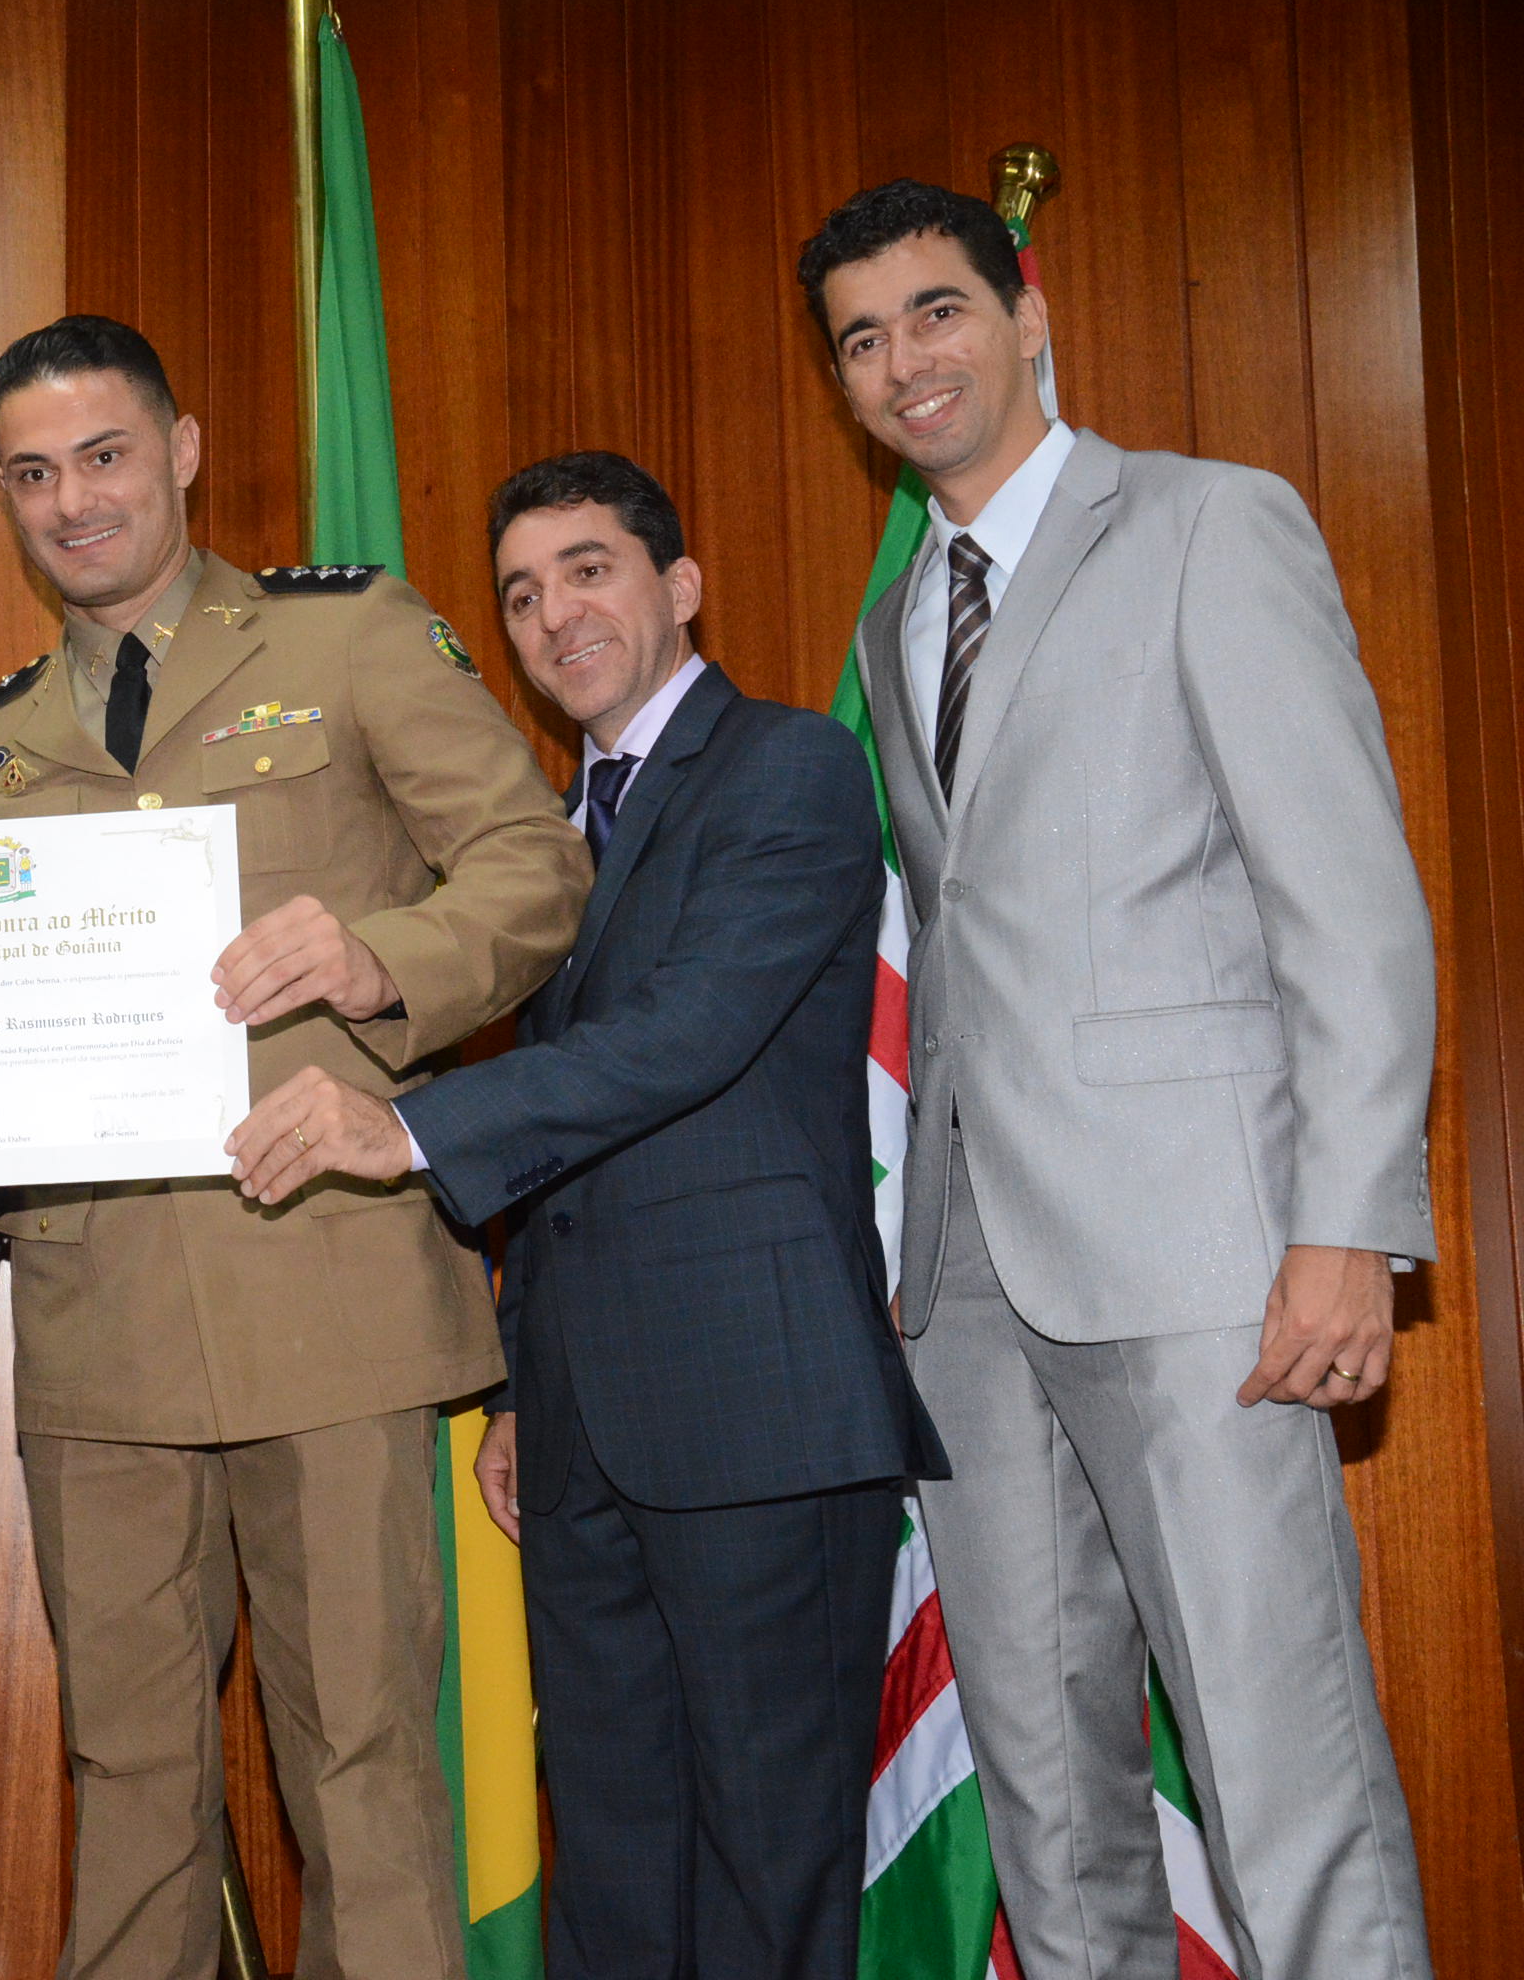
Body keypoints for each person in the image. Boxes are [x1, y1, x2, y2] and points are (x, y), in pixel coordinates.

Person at [802, 179, 1437, 1978]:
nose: (906, 362)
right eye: (863, 340)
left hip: (1201, 1266)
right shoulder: (898, 620)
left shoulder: (1210, 524)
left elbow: (1351, 907)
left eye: (937, 312)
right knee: (1050, 1809)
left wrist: (1345, 1227)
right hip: (964, 1284)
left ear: (1028, 313)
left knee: (1282, 1776)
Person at [0, 316, 590, 1979]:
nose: (74, 500)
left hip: (331, 1291)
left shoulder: (347, 636)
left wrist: (382, 959)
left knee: (365, 1771)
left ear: (184, 450)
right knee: (129, 1785)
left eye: (105, 456)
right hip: (100, 1326)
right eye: (33, 473)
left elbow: (534, 868)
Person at [230, 451, 945, 1979]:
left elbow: (686, 1038)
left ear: (680, 587)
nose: (555, 614)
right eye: (520, 594)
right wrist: (517, 1390)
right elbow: (568, 1158)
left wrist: (405, 1128)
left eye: (589, 570)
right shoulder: (541, 852)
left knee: (767, 1873)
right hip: (578, 1435)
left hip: (757, 1416)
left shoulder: (792, 766)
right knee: (613, 1873)